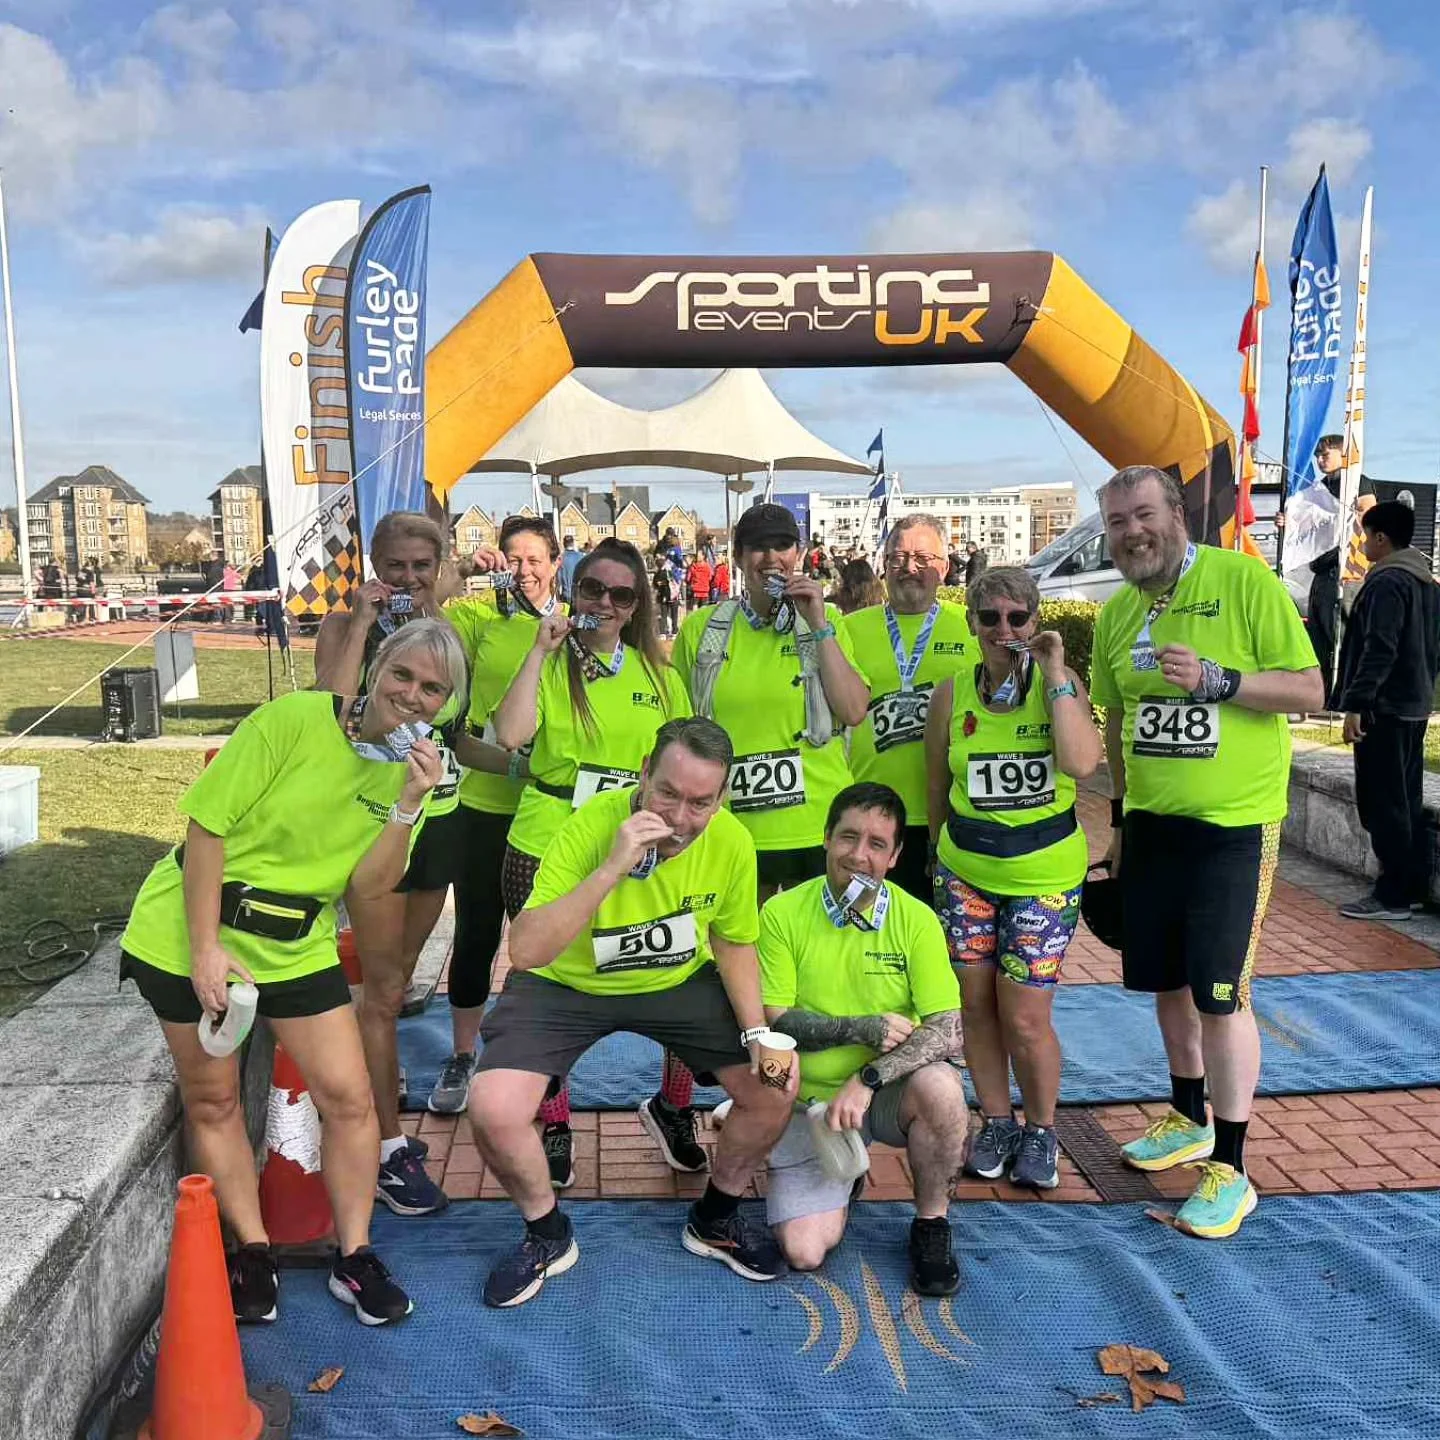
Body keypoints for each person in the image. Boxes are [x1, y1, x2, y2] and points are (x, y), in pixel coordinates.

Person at [118, 620, 464, 1326]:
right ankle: (252, 1250)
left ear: (446, 705)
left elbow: (371, 887)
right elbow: (206, 826)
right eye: (403, 675)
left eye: (433, 689)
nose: (412, 696)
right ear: (375, 668)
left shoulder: (417, 773)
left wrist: (406, 806)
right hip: (190, 927)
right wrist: (206, 948)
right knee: (212, 1100)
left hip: (297, 941)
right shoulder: (292, 719)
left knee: (350, 1097)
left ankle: (356, 1253)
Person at [467, 718, 794, 1308]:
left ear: (721, 800)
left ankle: (716, 1218)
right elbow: (528, 950)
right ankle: (547, 1233)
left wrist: (756, 1033)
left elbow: (735, 941)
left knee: (776, 1085)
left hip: (675, 982)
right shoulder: (589, 825)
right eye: (667, 793)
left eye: (700, 802)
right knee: (491, 1107)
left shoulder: (733, 841)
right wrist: (613, 865)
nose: (679, 816)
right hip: (566, 985)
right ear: (644, 773)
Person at [1092, 465, 1321, 1238]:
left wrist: (1222, 682)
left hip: (1234, 825)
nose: (1132, 531)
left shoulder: (1242, 582)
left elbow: (1309, 689)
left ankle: (1232, 1163)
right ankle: (1186, 1117)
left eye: (1143, 514)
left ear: (1176, 514)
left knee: (1221, 996)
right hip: (1153, 827)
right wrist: (1120, 824)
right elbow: (1121, 725)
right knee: (1166, 983)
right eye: (1118, 521)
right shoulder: (1120, 613)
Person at [493, 538, 701, 1185]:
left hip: (637, 851)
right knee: (547, 985)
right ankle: (555, 1119)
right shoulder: (552, 662)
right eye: (593, 590)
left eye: (621, 594)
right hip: (548, 843)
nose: (605, 604)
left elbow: (686, 765)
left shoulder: (659, 674)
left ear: (638, 603)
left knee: (683, 975)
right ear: (573, 591)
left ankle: (675, 1106)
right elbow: (509, 734)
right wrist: (537, 652)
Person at [313, 512, 501, 1218]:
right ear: (375, 562)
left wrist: (518, 761)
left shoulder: (452, 635)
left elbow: (456, 731)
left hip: (440, 822)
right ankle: (387, 1147)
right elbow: (326, 713)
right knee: (385, 991)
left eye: (424, 566)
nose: (410, 579)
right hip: (373, 822)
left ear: (442, 566)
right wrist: (363, 625)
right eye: (397, 565)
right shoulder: (344, 626)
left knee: (389, 986)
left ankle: (375, 1113)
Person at [925, 566, 1100, 1189]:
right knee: (974, 1006)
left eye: (1017, 617)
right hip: (966, 869)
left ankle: (1043, 1129)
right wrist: (934, 857)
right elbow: (936, 787)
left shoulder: (1060, 684)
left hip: (1041, 876)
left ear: (1035, 622)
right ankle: (996, 1120)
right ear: (971, 624)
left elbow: (1082, 762)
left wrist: (1054, 674)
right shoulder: (951, 693)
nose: (1004, 629)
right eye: (990, 618)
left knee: (1024, 1016)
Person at [759, 783, 967, 1294]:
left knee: (942, 1090)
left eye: (877, 843)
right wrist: (862, 1029)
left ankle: (931, 1224)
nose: (859, 854)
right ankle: (843, 1175)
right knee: (804, 1252)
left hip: (881, 1091)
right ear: (826, 839)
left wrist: (869, 1076)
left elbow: (947, 1029)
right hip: (806, 1100)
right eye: (848, 837)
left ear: (895, 856)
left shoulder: (916, 919)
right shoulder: (782, 914)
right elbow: (776, 1019)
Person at [433, 517, 564, 1120]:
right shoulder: (479, 618)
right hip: (487, 807)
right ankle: (464, 1055)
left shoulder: (573, 626)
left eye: (534, 558)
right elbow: (424, 607)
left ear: (556, 563)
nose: (523, 569)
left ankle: (539, 1067)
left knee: (542, 950)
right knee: (479, 934)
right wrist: (461, 569)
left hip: (553, 816)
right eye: (512, 558)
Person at [671, 502, 870, 900]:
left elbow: (852, 710)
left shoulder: (826, 620)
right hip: (732, 827)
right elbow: (678, 733)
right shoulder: (702, 630)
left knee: (814, 955)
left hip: (817, 825)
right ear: (741, 558)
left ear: (797, 554)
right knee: (737, 954)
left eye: (783, 545)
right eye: (759, 547)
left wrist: (818, 626)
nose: (771, 558)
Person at [841, 515, 971, 900]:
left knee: (940, 943)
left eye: (922, 558)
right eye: (897, 558)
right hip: (870, 816)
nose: (908, 568)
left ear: (944, 568)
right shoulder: (850, 627)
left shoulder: (972, 626)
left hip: (948, 815)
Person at [1334, 501, 1440, 921]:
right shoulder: (1426, 583)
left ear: (1381, 537)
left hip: (1385, 708)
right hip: (1414, 705)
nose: (1362, 543)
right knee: (1405, 798)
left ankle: (1391, 895)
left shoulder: (1386, 583)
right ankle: (1409, 887)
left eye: (1365, 535)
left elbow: (1379, 648)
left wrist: (1358, 704)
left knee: (1382, 802)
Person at [653, 557, 680, 638]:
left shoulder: (658, 573)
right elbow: (678, 581)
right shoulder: (672, 572)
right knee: (674, 615)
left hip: (664, 596)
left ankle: (663, 633)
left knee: (664, 615)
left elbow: (655, 585)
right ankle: (674, 632)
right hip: (674, 596)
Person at [558, 534, 583, 602]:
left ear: (564, 544)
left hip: (566, 595)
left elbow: (558, 580)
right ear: (573, 543)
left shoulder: (560, 559)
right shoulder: (581, 557)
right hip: (579, 595)